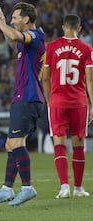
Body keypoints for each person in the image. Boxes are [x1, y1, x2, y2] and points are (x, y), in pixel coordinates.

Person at [0, 0, 46, 206]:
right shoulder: (25, 42)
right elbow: (12, 40)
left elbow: (13, 35)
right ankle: (7, 188)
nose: (12, 21)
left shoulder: (36, 36)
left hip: (28, 97)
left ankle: (27, 187)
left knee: (17, 143)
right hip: (23, 96)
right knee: (10, 144)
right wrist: (4, 26)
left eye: (15, 18)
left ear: (26, 19)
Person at [42, 14, 93, 199]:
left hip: (57, 102)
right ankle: (78, 188)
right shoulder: (87, 49)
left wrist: (49, 99)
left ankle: (64, 187)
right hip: (79, 102)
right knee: (79, 144)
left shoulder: (51, 47)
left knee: (59, 143)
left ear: (64, 27)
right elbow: (90, 78)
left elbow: (45, 78)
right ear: (79, 29)